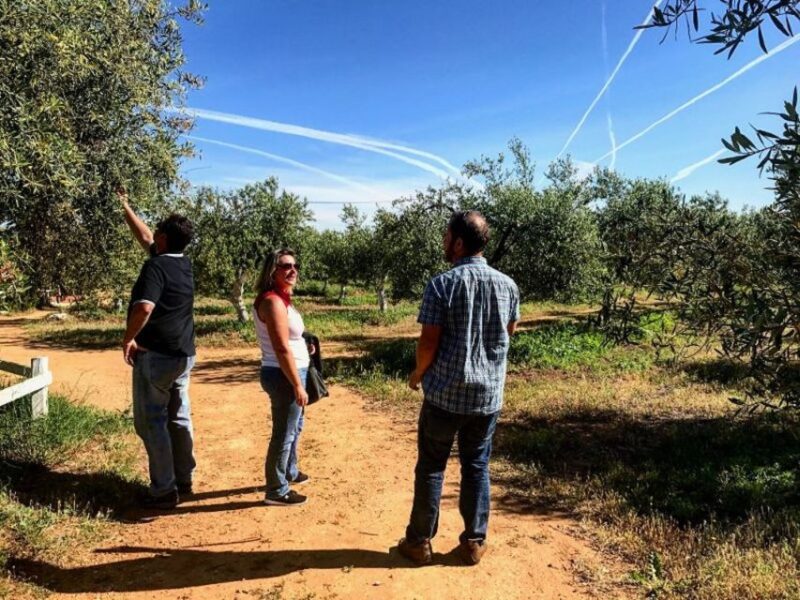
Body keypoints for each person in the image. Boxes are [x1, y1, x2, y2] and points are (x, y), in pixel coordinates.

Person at [398, 210, 520, 566]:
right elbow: (507, 333)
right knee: (477, 466)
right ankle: (473, 542)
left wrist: (418, 373)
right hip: (486, 398)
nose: (443, 242)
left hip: (444, 396)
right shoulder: (508, 285)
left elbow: (428, 342)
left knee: (432, 467)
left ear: (459, 242)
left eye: (446, 236)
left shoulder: (441, 284)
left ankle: (419, 542)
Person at [119, 190, 197, 510]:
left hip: (157, 356)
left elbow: (145, 307)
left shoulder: (155, 269)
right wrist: (126, 206)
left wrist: (128, 337)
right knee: (178, 416)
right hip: (184, 355)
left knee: (151, 421)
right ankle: (183, 479)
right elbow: (146, 235)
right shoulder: (183, 264)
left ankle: (163, 490)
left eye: (158, 235)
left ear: (164, 240)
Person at [254, 248, 311, 506]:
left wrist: (305, 345)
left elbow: (289, 338)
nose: (293, 270)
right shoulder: (272, 301)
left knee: (294, 427)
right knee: (284, 433)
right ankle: (276, 490)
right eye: (286, 266)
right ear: (271, 270)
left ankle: (289, 471)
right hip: (283, 375)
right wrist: (297, 384)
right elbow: (279, 347)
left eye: (295, 265)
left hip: (290, 371)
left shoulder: (281, 298)